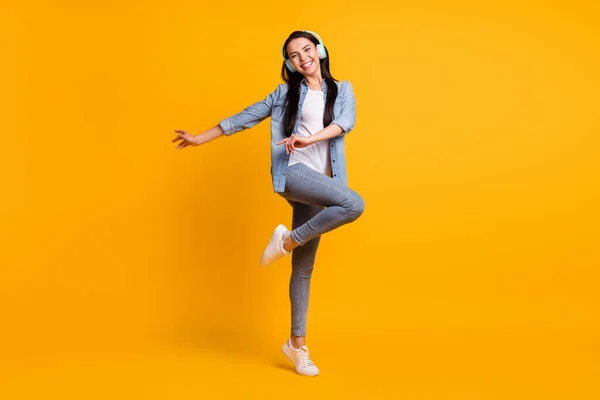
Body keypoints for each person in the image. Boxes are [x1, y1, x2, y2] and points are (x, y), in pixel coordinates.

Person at [172, 30, 364, 377]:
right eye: (293, 55)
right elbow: (244, 117)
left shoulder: (342, 90)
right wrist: (199, 138)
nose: (302, 57)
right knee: (354, 205)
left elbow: (343, 124)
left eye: (307, 49)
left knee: (303, 269)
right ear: (288, 63)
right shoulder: (284, 94)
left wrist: (309, 139)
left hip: (322, 182)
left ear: (319, 51)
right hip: (292, 173)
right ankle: (287, 241)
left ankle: (297, 344)